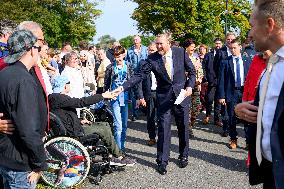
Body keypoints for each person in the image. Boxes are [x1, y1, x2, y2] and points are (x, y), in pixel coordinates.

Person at [112, 33, 196, 175]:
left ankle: (183, 155)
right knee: (163, 129)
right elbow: (139, 75)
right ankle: (162, 161)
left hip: (182, 96)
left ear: (168, 43)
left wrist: (190, 86)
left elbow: (192, 72)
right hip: (164, 99)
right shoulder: (152, 58)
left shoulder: (180, 52)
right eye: (156, 44)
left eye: (160, 44)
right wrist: (123, 87)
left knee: (183, 127)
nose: (158, 46)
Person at [235, 0, 284, 187]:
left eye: (252, 26)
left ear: (270, 25)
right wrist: (241, 111)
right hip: (270, 173)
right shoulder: (273, 63)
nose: (250, 34)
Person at [49, 75, 135, 166]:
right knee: (103, 129)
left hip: (72, 127)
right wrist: (102, 96)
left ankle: (112, 154)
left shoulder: (56, 98)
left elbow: (64, 116)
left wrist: (79, 120)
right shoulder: (59, 98)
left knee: (105, 124)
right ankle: (119, 157)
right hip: (73, 133)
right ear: (65, 86)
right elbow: (81, 102)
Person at [0, 30, 47, 189]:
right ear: (32, 49)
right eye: (38, 48)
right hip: (21, 163)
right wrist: (39, 163)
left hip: (7, 157)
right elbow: (28, 130)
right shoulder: (23, 79)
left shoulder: (5, 73)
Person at [217, 39, 250, 149]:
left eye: (235, 48)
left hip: (244, 91)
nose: (233, 50)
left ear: (240, 47)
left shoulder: (247, 60)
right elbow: (221, 80)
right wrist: (221, 96)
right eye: (231, 48)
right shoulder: (225, 62)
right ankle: (233, 139)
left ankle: (248, 141)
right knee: (231, 116)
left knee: (246, 116)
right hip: (232, 92)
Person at [104, 46, 134, 152]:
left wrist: (138, 97)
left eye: (120, 55)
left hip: (125, 98)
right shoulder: (110, 67)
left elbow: (133, 82)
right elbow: (106, 83)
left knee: (124, 125)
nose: (118, 58)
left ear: (124, 55)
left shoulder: (129, 66)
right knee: (118, 125)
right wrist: (106, 95)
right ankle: (117, 149)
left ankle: (122, 145)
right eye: (116, 56)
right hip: (114, 99)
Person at [138, 42, 158, 146]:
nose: (151, 52)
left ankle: (162, 137)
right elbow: (139, 81)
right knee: (150, 117)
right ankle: (152, 137)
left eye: (153, 50)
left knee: (162, 117)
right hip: (149, 93)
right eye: (150, 50)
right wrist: (140, 97)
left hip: (161, 93)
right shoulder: (143, 63)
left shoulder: (162, 62)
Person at [125, 35, 148, 121]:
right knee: (135, 94)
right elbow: (127, 61)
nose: (135, 41)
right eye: (134, 40)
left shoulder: (145, 49)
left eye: (137, 39)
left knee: (145, 92)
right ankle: (135, 113)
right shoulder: (130, 50)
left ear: (140, 40)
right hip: (134, 74)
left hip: (145, 73)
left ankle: (145, 109)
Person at [184, 39, 203, 130]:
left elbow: (200, 69)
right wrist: (190, 71)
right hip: (185, 86)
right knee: (187, 108)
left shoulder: (196, 57)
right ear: (186, 47)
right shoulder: (182, 57)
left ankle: (192, 123)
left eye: (194, 46)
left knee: (196, 108)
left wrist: (200, 80)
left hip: (195, 85)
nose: (193, 48)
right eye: (191, 46)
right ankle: (188, 129)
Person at [203, 38, 223, 125]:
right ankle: (207, 116)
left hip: (220, 82)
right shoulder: (208, 55)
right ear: (214, 44)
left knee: (218, 101)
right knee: (209, 100)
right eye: (216, 43)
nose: (217, 45)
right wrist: (205, 79)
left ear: (221, 44)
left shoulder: (224, 55)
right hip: (210, 82)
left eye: (219, 43)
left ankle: (217, 119)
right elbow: (203, 67)